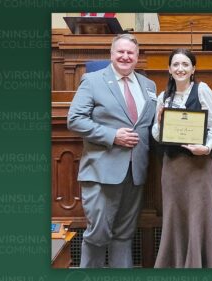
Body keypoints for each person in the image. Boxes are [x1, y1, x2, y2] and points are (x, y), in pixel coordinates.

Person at [67, 34, 157, 268]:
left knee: (124, 236)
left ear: (137, 57)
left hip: (135, 172)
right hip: (102, 172)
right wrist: (112, 136)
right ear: (111, 54)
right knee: (98, 235)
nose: (126, 56)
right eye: (121, 52)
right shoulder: (93, 80)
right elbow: (75, 119)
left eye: (131, 53)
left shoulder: (148, 85)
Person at [151, 48, 212, 268]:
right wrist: (159, 121)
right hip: (172, 169)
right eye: (175, 65)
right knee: (174, 218)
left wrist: (207, 147)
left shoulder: (202, 91)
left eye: (185, 64)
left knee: (198, 219)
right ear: (169, 69)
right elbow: (156, 135)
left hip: (199, 167)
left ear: (193, 69)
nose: (180, 69)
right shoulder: (163, 97)